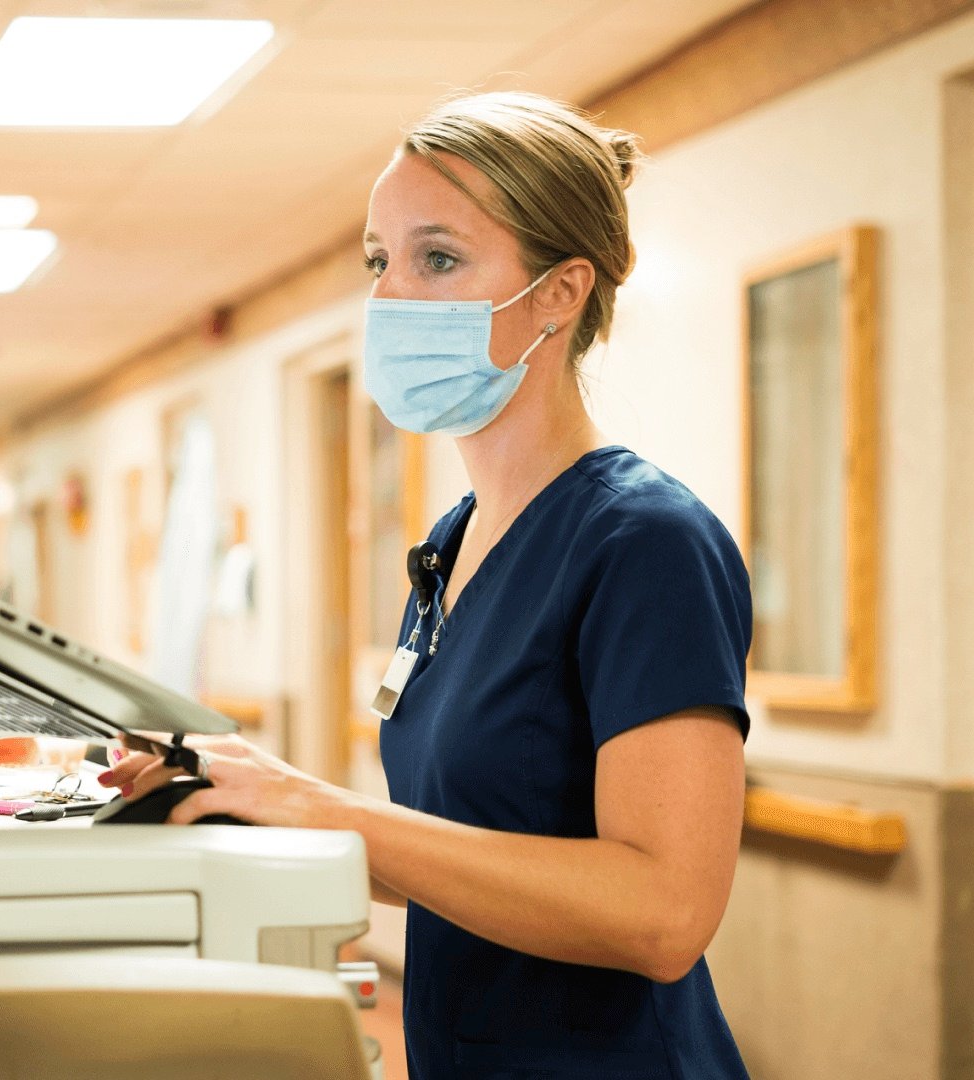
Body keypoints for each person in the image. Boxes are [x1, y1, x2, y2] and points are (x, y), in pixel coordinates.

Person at [99, 91, 753, 1079]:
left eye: (437, 259)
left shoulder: (642, 542)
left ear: (558, 293)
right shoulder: (450, 550)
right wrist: (249, 802)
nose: (391, 295)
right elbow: (479, 859)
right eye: (379, 261)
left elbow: (663, 915)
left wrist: (323, 809)